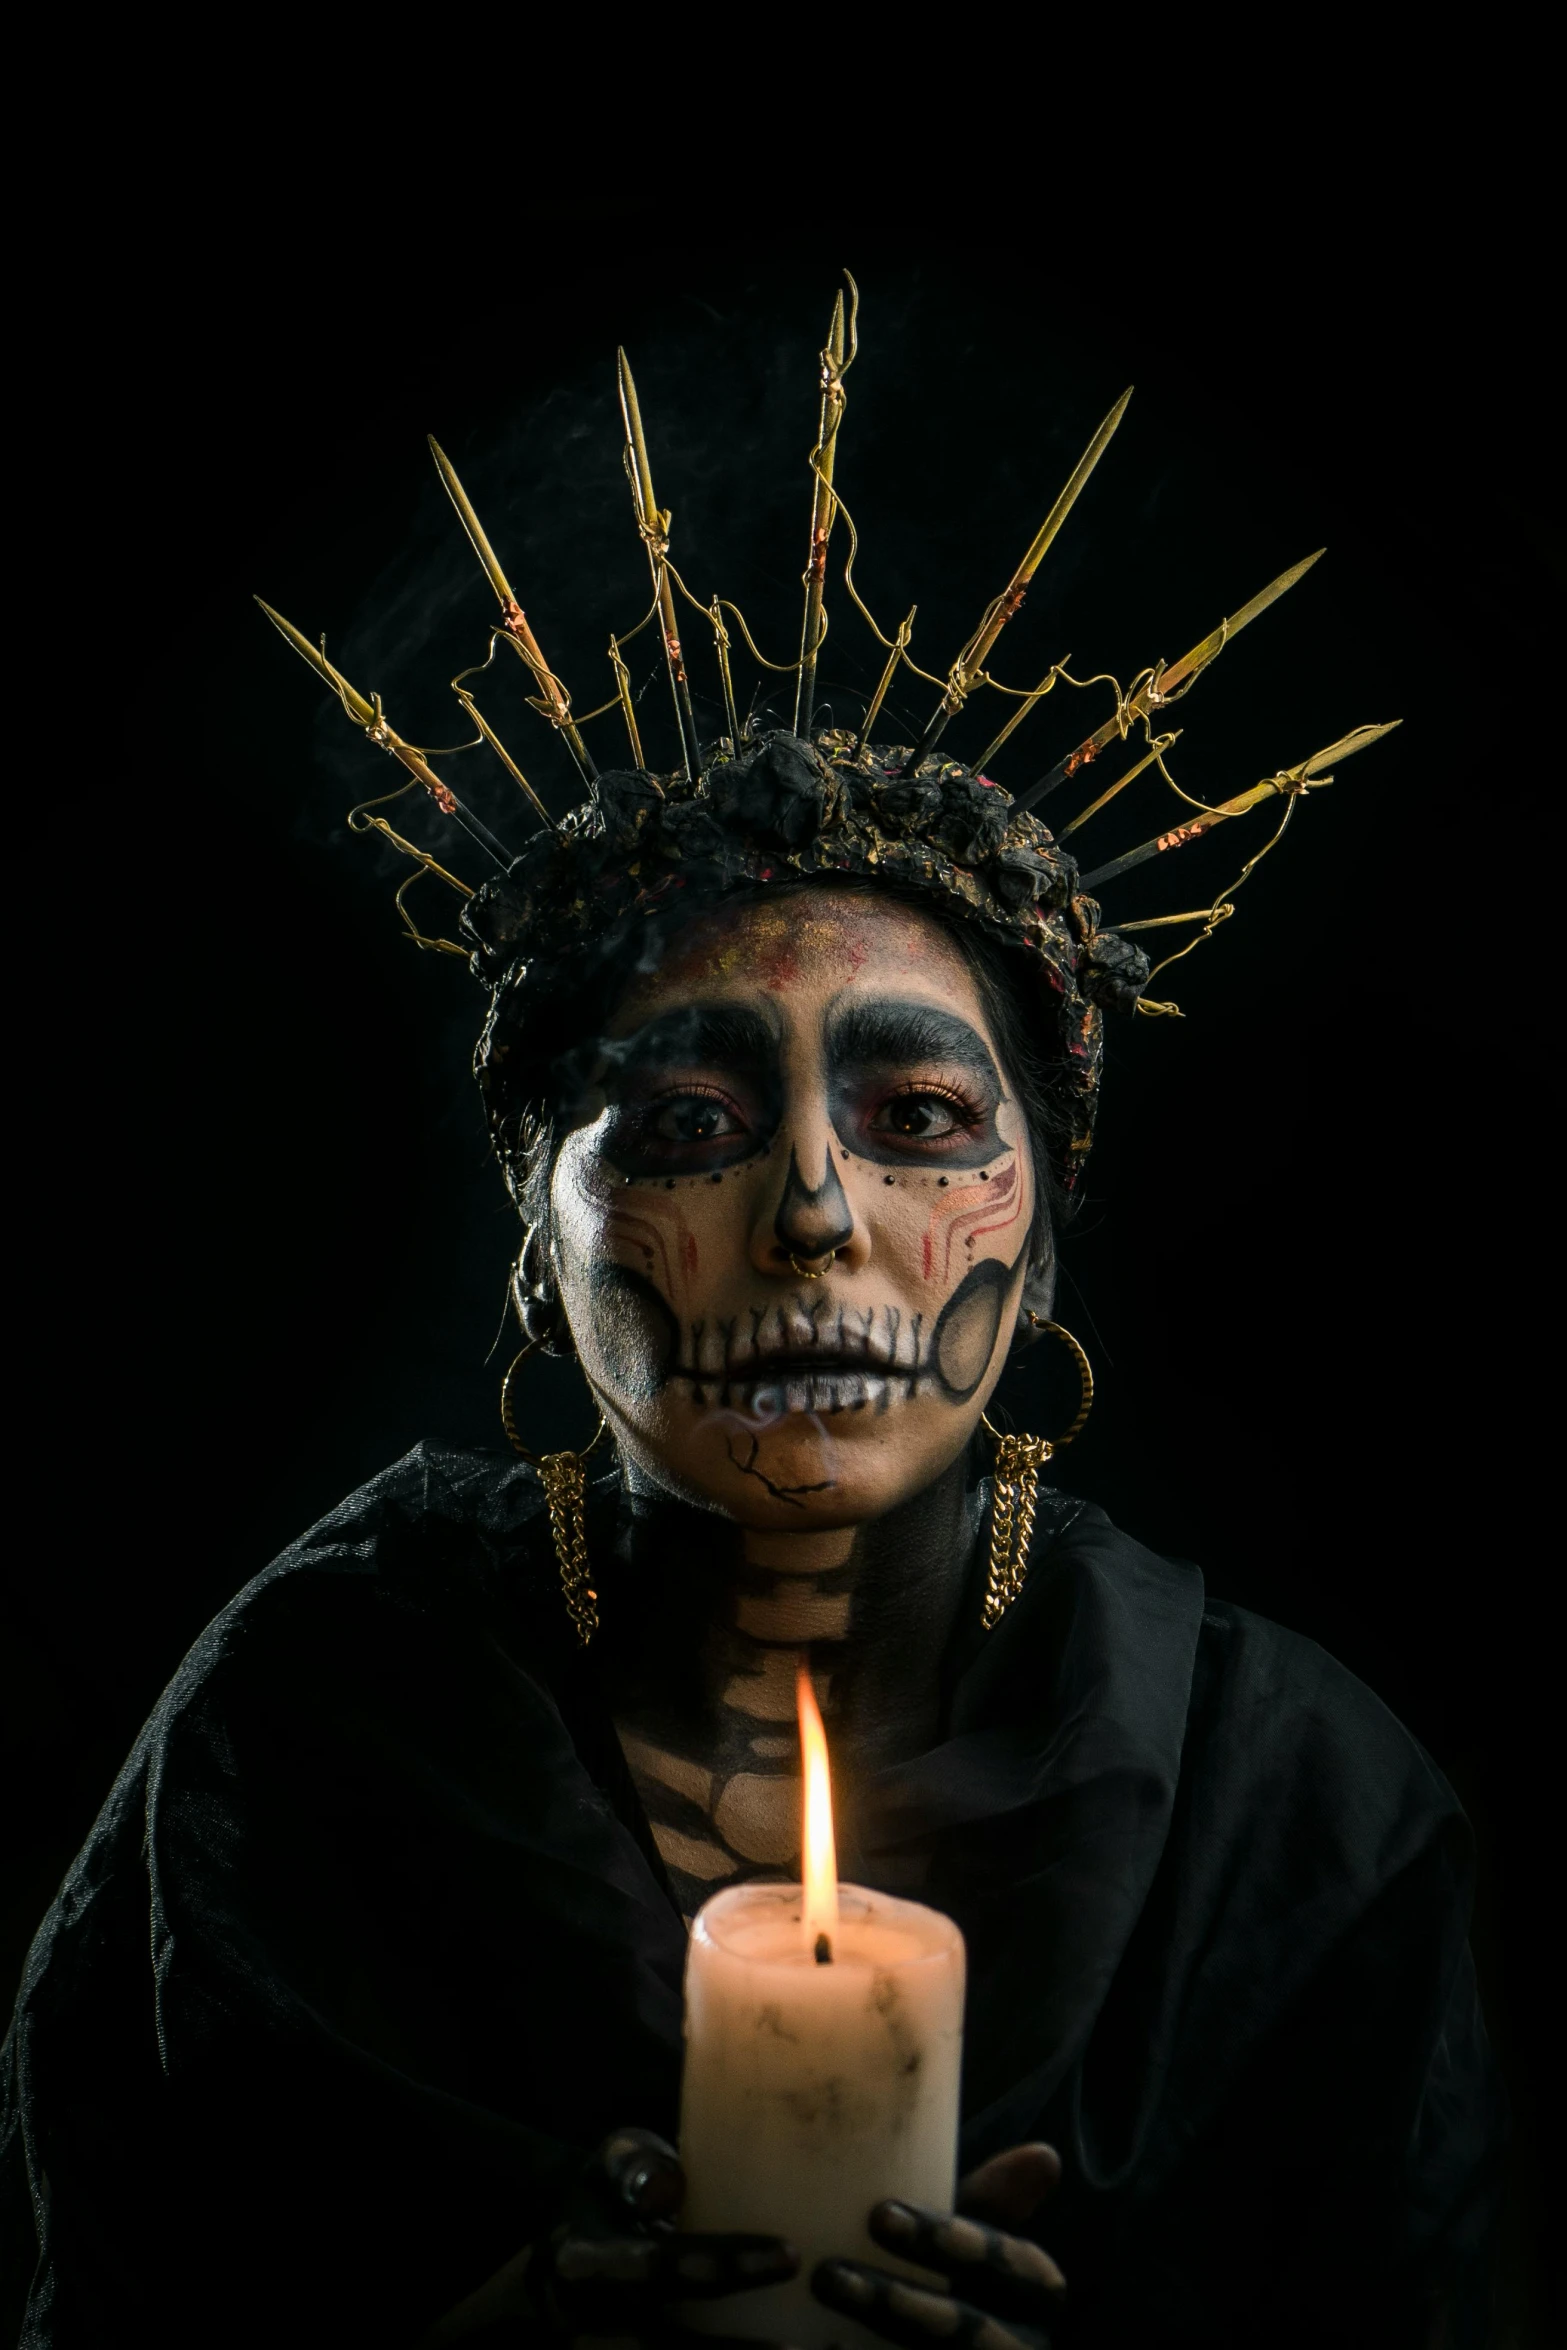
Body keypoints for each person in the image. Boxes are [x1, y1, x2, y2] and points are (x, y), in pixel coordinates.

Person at [2, 303, 1502, 2348]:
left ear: (1042, 1240)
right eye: (694, 1120)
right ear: (541, 1245)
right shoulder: (314, 1726)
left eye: (920, 1117)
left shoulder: (1299, 1812)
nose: (812, 1206)